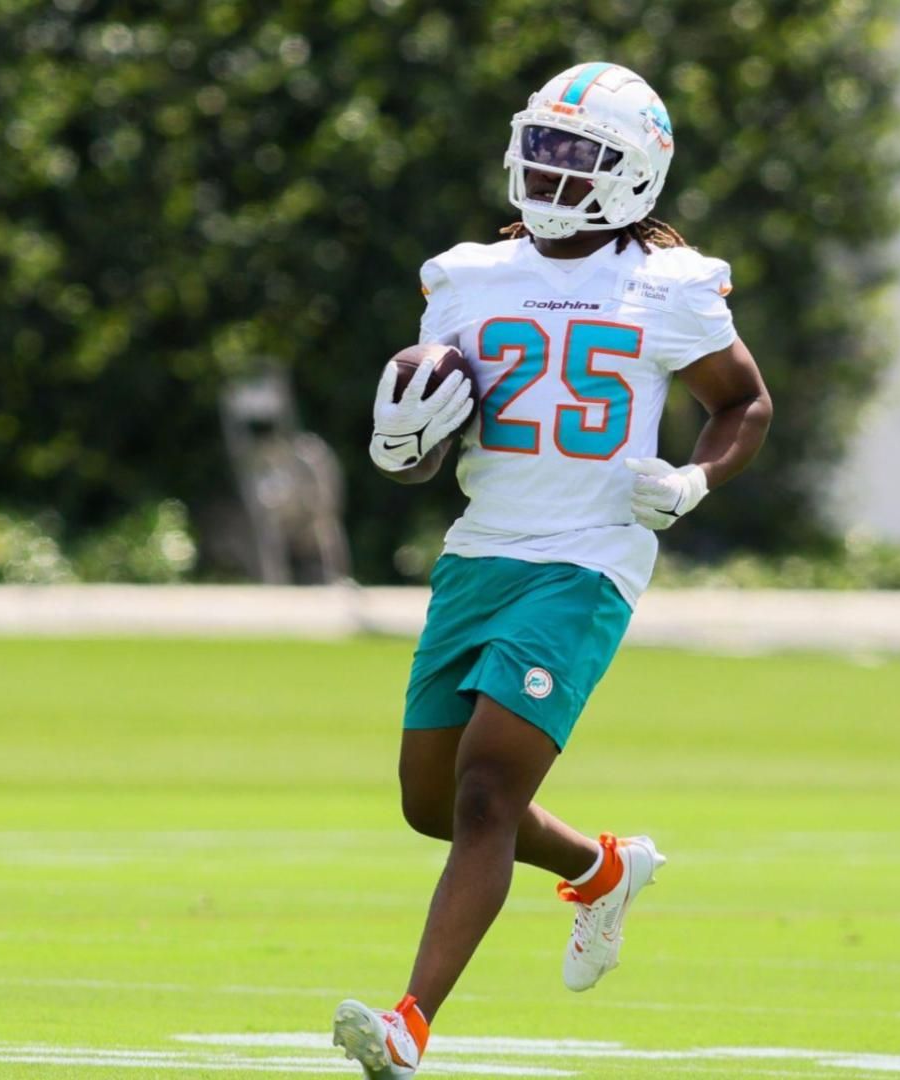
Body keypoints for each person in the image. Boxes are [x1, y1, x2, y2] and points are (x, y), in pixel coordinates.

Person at [334, 62, 773, 1077]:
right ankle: (600, 867)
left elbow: (742, 402)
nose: (549, 167)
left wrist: (697, 481)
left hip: (587, 562)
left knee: (486, 793)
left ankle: (408, 1024)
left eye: (578, 154)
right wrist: (405, 441)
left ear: (634, 174)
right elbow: (440, 415)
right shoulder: (463, 277)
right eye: (542, 145)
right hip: (481, 554)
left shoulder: (668, 287)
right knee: (427, 801)